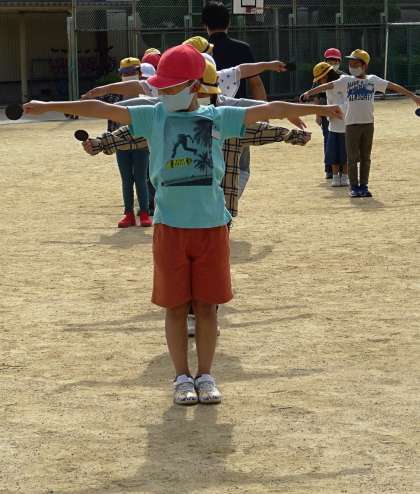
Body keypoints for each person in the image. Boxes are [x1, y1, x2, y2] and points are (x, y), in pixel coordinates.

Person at [23, 44, 342, 406]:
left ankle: (205, 374)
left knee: (207, 307)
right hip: (170, 228)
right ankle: (181, 377)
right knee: (175, 308)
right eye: (161, 86)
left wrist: (321, 109)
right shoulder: (153, 116)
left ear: (193, 86)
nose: (163, 92)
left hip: (212, 227)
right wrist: (47, 106)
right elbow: (101, 108)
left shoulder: (218, 117)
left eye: (171, 86)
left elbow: (273, 110)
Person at [302, 49, 420, 197]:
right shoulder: (346, 80)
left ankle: (364, 186)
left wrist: (413, 96)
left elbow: (393, 86)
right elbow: (327, 86)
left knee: (365, 157)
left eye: (355, 63)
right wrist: (308, 93)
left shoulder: (373, 80)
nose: (352, 66)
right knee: (351, 158)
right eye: (350, 63)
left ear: (364, 65)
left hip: (368, 124)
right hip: (351, 124)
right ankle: (354, 187)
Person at [202, 1, 267, 198]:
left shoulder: (199, 53)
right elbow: (256, 84)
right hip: (236, 117)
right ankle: (227, 206)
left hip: (204, 118)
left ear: (205, 25)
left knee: (207, 166)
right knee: (241, 168)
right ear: (229, 23)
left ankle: (213, 205)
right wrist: (263, 115)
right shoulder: (242, 49)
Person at [112, 58, 152, 227]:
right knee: (126, 180)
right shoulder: (115, 95)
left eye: (132, 71)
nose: (128, 75)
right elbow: (111, 122)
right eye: (125, 72)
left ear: (139, 73)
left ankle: (144, 213)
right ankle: (128, 213)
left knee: (141, 179)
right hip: (121, 144)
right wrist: (110, 141)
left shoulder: (146, 94)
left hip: (141, 144)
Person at [312, 62, 349, 187]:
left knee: (345, 151)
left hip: (346, 123)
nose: (319, 82)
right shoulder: (327, 89)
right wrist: (328, 115)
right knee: (333, 151)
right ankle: (334, 176)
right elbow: (328, 103)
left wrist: (338, 111)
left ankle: (345, 176)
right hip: (333, 124)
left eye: (320, 79)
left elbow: (348, 101)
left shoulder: (344, 81)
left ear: (327, 75)